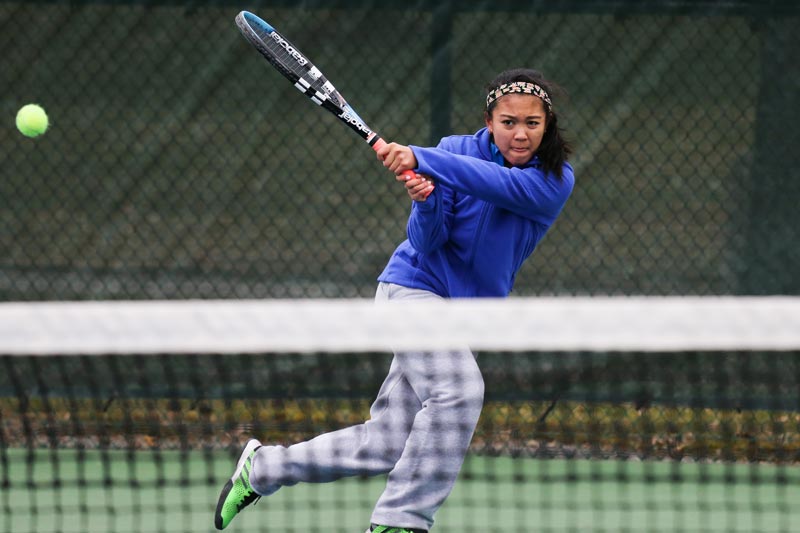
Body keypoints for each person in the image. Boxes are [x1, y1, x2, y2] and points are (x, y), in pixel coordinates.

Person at [214, 67, 575, 533]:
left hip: (468, 318)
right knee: (459, 393)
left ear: (547, 125)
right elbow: (426, 243)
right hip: (412, 292)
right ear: (489, 121)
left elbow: (494, 184)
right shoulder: (451, 151)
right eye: (508, 122)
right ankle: (400, 522)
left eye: (532, 123)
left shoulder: (553, 179)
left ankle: (263, 469)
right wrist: (424, 200)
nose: (520, 134)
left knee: (385, 443)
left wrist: (419, 158)